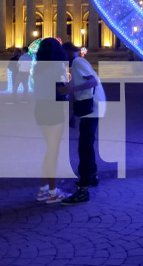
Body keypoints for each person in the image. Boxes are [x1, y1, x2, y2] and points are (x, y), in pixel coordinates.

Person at [60, 42, 106, 206]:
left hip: (92, 107)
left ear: (69, 51)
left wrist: (69, 91)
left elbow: (92, 82)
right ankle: (91, 176)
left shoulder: (79, 62)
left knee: (85, 144)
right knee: (87, 142)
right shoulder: (77, 66)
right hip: (91, 108)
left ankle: (86, 180)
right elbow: (81, 90)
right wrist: (74, 114)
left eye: (64, 53)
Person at [33, 38, 70, 204]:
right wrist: (78, 86)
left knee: (49, 150)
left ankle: (43, 189)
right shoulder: (57, 66)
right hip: (53, 109)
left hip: (40, 108)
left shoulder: (38, 68)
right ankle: (53, 191)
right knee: (53, 151)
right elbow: (62, 88)